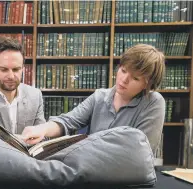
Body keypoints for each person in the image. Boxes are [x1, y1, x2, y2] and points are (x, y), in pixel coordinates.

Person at [22, 44, 166, 153]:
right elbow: (68, 121)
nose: (124, 80)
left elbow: (141, 150)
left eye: (135, 78)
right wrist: (42, 129)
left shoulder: (153, 102)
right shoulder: (100, 96)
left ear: (147, 84)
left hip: (128, 176)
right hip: (92, 168)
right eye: (123, 70)